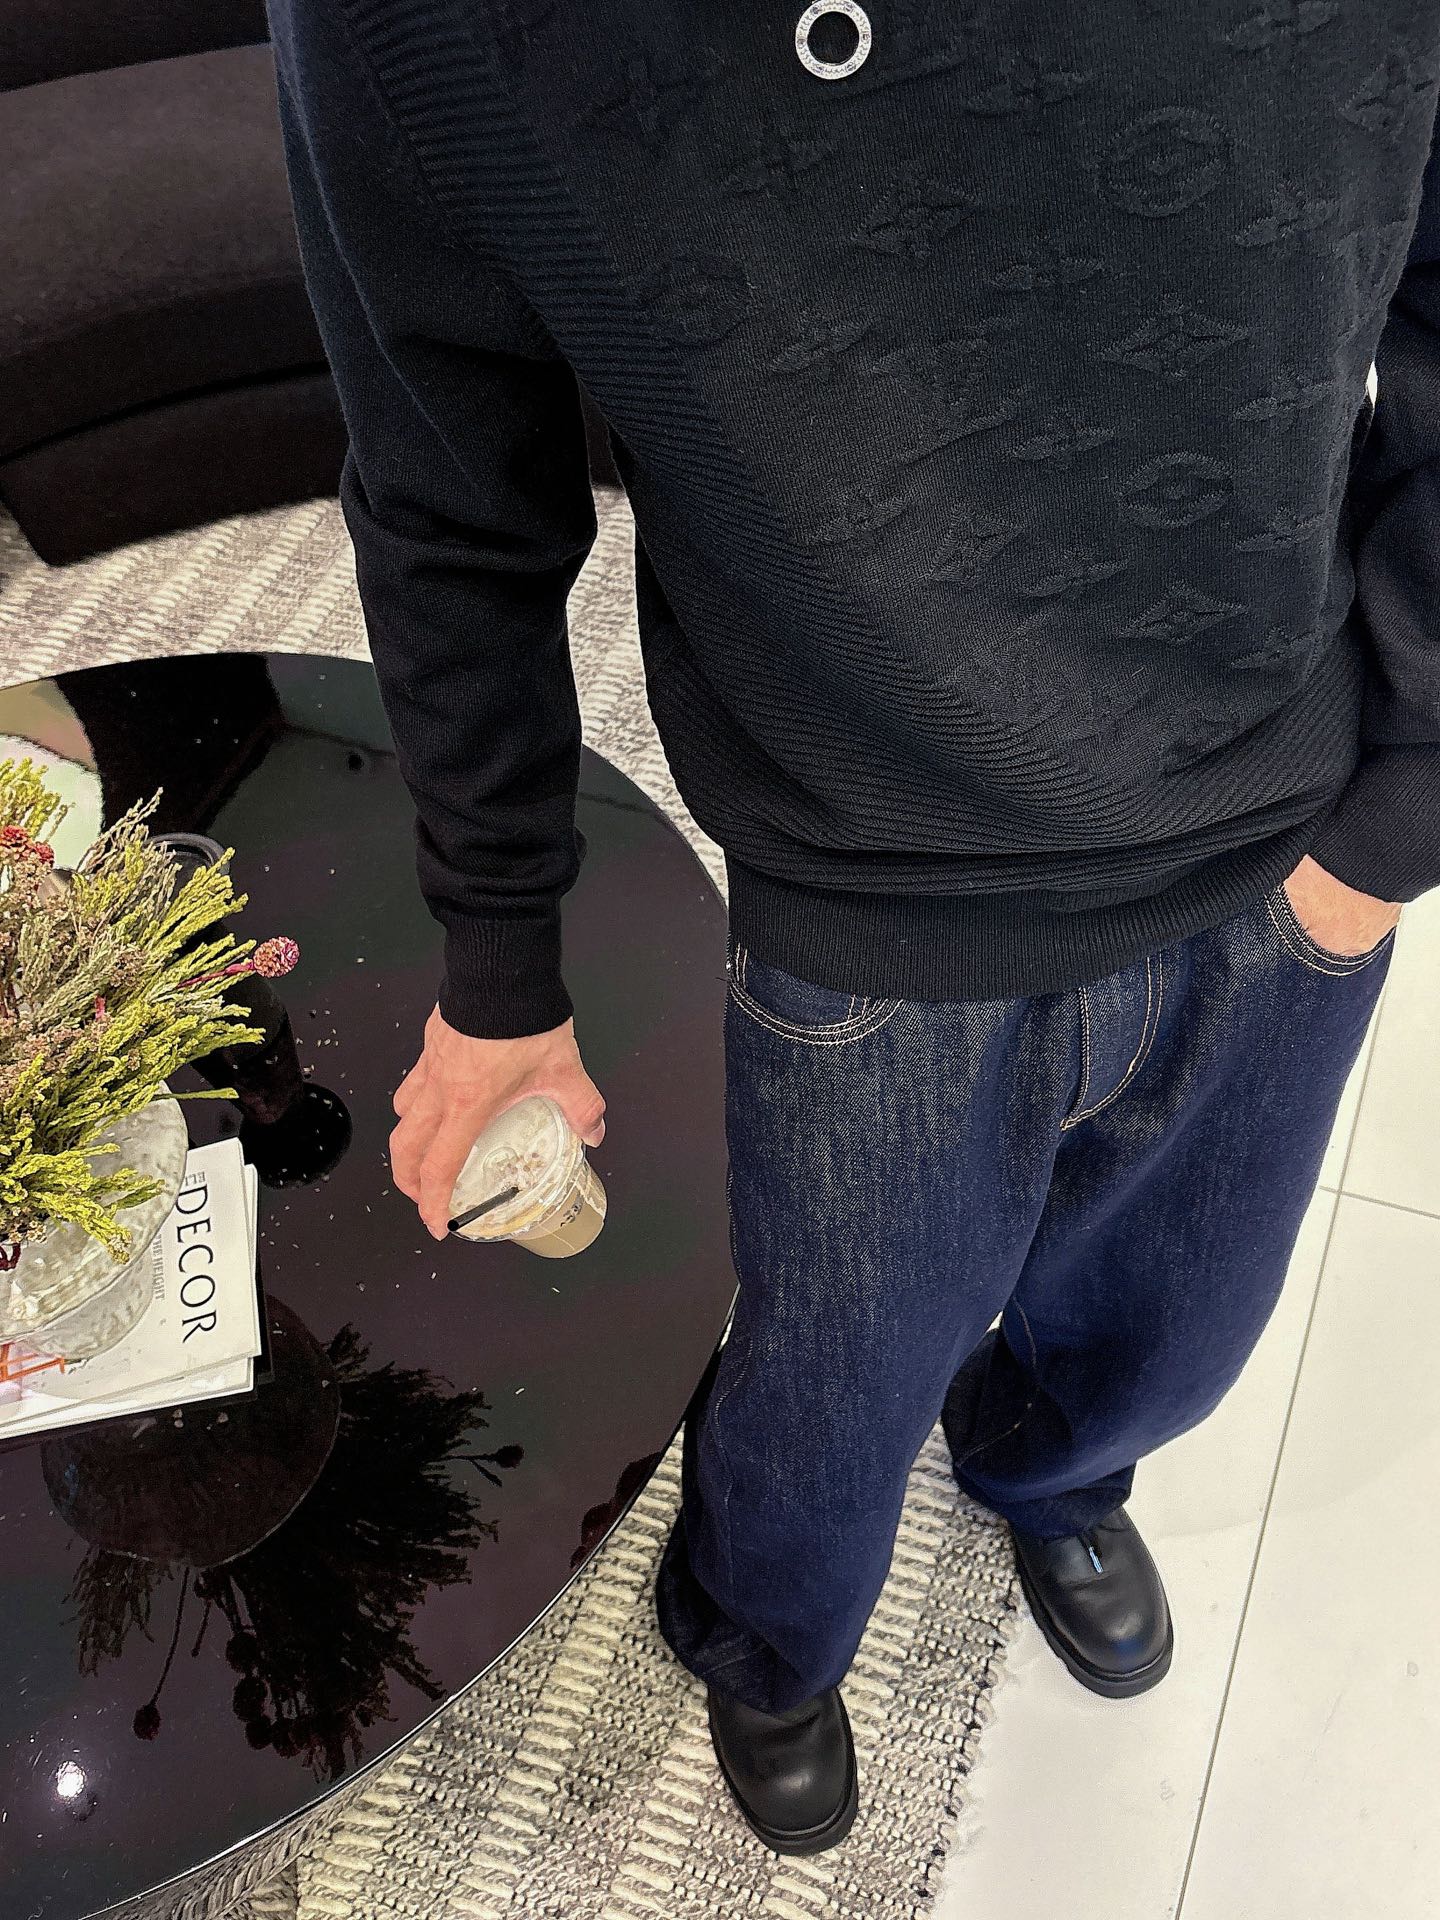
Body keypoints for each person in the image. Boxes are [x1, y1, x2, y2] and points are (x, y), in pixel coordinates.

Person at [268, 0, 1440, 1857]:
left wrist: (1401, 812)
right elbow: (447, 489)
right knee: (825, 1389)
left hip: (1290, 822)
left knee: (1177, 1326)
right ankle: (769, 1642)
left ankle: (1054, 1474)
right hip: (869, 898)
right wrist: (498, 965)